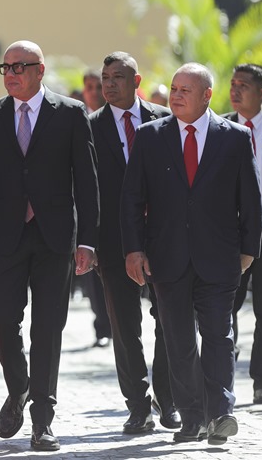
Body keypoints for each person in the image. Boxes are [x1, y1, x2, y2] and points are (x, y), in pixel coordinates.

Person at [0, 40, 99, 452]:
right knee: (2, 321)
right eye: (6, 68)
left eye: (20, 66)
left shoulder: (71, 114)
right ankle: (20, 386)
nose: (12, 74)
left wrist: (88, 240)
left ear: (40, 70)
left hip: (55, 237)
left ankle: (42, 420)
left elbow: (87, 184)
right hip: (4, 237)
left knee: (48, 329)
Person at [121, 62, 262, 446]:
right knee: (178, 339)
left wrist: (249, 250)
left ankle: (221, 412)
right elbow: (132, 198)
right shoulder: (150, 137)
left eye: (186, 89)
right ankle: (192, 417)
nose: (176, 95)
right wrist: (133, 250)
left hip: (220, 258)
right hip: (166, 257)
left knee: (219, 335)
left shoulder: (233, 138)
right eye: (174, 88)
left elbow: (250, 199)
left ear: (206, 96)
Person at [89, 52, 178, 434]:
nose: (109, 84)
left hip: (164, 239)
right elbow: (85, 189)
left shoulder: (164, 120)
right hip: (113, 242)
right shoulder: (89, 127)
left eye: (118, 77)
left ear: (136, 81)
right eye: (105, 77)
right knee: (125, 327)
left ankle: (168, 399)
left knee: (170, 323)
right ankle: (138, 406)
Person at [224, 64, 262, 405]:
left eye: (244, 85)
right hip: (229, 233)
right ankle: (221, 379)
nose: (236, 90)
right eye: (233, 84)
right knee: (223, 308)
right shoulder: (220, 128)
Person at [79, 69, 111, 348]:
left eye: (97, 86)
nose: (93, 91)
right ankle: (102, 326)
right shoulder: (78, 120)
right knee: (92, 274)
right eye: (88, 86)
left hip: (114, 208)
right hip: (87, 210)